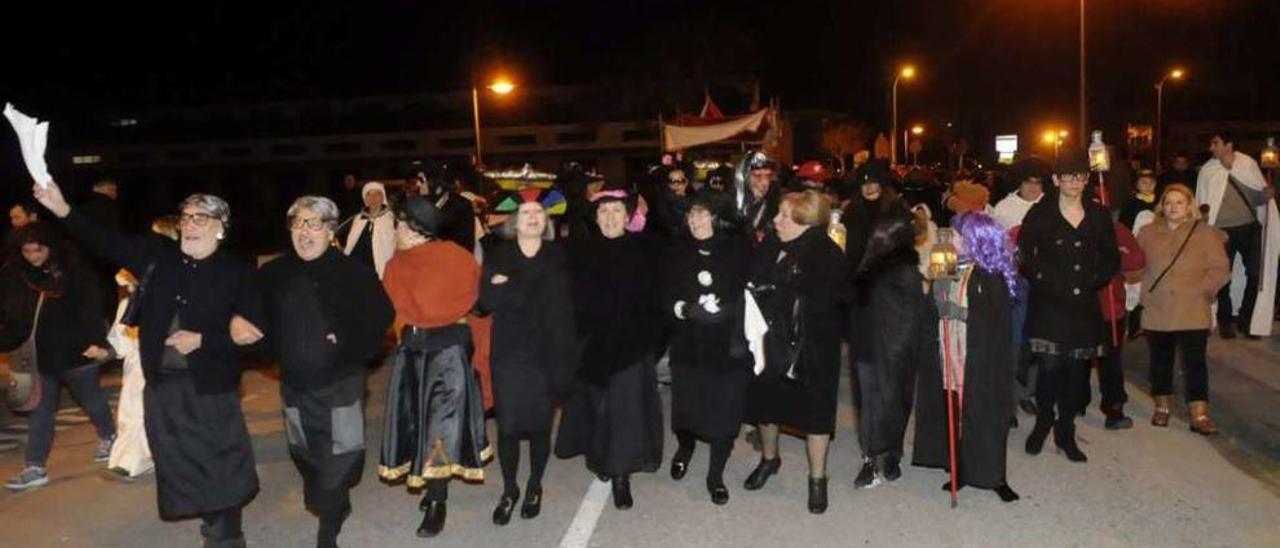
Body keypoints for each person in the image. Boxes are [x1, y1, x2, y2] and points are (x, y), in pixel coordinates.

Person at [33, 182, 263, 547]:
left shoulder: (238, 273)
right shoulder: (159, 255)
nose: (191, 224)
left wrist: (207, 339)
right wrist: (62, 209)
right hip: (163, 387)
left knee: (220, 463)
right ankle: (213, 520)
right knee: (182, 464)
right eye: (187, 217)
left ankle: (226, 535)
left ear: (220, 226)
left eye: (201, 218)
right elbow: (103, 240)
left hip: (210, 388)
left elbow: (259, 340)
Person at [256, 197, 394, 548]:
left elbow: (381, 319)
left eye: (314, 224)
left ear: (331, 231)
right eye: (298, 224)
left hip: (340, 382)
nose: (305, 232)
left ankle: (329, 523)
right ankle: (330, 500)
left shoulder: (354, 273)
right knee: (305, 450)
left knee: (340, 452)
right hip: (294, 383)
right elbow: (253, 320)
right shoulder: (273, 274)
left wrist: (346, 339)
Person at [378, 195, 489, 538]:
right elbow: (390, 310)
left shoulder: (456, 259)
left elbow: (474, 303)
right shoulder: (397, 264)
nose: (395, 230)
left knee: (440, 428)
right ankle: (429, 486)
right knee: (415, 423)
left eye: (399, 225)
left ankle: (438, 500)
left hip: (447, 354)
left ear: (415, 230)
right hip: (412, 352)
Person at [556, 186, 664, 511]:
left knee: (625, 413)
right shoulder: (580, 251)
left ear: (629, 216)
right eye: (604, 211)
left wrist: (649, 344)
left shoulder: (646, 250)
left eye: (617, 211)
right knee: (597, 410)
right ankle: (601, 459)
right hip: (591, 346)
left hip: (631, 348)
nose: (610, 218)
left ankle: (621, 475)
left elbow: (659, 301)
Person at [742, 190, 845, 514]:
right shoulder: (772, 244)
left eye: (784, 215)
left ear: (805, 221)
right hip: (769, 341)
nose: (776, 220)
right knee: (766, 405)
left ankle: (818, 479)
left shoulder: (826, 252)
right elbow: (751, 275)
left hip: (810, 348)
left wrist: (781, 290)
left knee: (816, 415)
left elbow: (830, 300)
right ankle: (769, 460)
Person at [478, 189, 577, 524]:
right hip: (509, 353)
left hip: (548, 353)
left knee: (538, 428)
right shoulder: (498, 253)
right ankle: (509, 489)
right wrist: (521, 287)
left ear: (546, 220)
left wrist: (511, 285)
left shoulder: (559, 254)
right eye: (525, 213)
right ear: (514, 221)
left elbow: (561, 304)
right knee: (507, 428)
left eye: (538, 212)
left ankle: (534, 485)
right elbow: (487, 300)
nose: (532, 218)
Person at [1017, 150, 1120, 463]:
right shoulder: (1040, 213)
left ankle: (1066, 432)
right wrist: (1045, 279)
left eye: (1080, 176)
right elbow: (1025, 255)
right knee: (1049, 370)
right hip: (1049, 302)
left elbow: (1111, 257)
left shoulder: (1098, 214)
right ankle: (1043, 422)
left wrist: (1093, 280)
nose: (1075, 182)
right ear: (1056, 180)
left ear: (1087, 179)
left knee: (1076, 374)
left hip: (1083, 305)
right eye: (1068, 176)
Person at [913, 211, 1020, 503]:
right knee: (956, 414)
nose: (952, 239)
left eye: (958, 235)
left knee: (985, 417)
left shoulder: (990, 276)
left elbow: (991, 322)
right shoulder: (948, 264)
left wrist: (958, 313)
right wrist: (938, 294)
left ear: (975, 240)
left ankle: (994, 475)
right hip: (949, 353)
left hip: (980, 361)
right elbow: (934, 303)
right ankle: (959, 468)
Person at [1, 224, 115, 491]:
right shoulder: (16, 274)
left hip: (76, 351)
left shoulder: (72, 269)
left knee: (91, 400)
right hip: (40, 357)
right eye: (27, 251)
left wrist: (96, 342)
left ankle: (110, 435)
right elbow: (12, 315)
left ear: (50, 246)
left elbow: (90, 306)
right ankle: (35, 466)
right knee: (40, 411)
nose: (33, 256)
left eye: (38, 250)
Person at [664, 193, 752, 506]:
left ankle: (715, 475)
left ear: (718, 218)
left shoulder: (739, 250)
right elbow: (661, 297)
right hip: (689, 344)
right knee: (686, 408)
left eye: (703, 215)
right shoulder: (676, 250)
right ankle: (685, 447)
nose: (696, 221)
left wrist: (728, 312)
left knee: (724, 413)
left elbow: (752, 294)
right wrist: (685, 310)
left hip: (728, 346)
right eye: (691, 215)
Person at [1137, 184, 1230, 435]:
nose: (1173, 207)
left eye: (1179, 202)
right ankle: (1162, 407)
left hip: (1192, 307)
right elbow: (1136, 265)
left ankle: (1199, 414)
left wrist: (1205, 290)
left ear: (1189, 206)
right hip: (1159, 308)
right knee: (1160, 361)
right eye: (1168, 203)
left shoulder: (1206, 234)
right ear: (1161, 206)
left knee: (1195, 363)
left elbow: (1220, 268)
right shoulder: (1147, 233)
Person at [850, 209, 933, 489]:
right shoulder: (870, 264)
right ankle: (872, 458)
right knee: (874, 403)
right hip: (871, 344)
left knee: (893, 402)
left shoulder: (903, 270)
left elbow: (912, 313)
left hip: (896, 347)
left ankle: (891, 455)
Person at [105, 216, 177, 479]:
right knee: (131, 406)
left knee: (149, 406)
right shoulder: (141, 269)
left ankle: (145, 456)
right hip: (137, 349)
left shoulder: (175, 270)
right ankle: (129, 457)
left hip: (161, 352)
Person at [1194, 131, 1279, 339]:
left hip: (1249, 227)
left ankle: (1246, 319)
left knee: (1255, 274)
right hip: (1220, 231)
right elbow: (1203, 202)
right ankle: (1225, 320)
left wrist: (1265, 195)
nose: (1211, 147)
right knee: (1222, 276)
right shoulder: (1208, 170)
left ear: (1228, 144)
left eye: (1215, 143)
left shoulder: (1247, 164)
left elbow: (1257, 197)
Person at [80, 179, 123, 322]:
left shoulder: (83, 208)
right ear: (104, 189)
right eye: (113, 189)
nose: (115, 193)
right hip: (107, 260)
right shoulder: (111, 208)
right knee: (108, 295)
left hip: (87, 259)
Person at [342, 181, 397, 278]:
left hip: (380, 268)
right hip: (357, 266)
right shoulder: (358, 218)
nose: (373, 199)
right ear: (365, 199)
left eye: (377, 194)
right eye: (369, 195)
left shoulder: (391, 219)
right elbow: (349, 242)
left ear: (383, 197)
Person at [991, 158, 1047, 231]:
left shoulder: (1050, 204)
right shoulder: (1004, 207)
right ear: (1019, 183)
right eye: (1028, 182)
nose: (1033, 186)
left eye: (1038, 182)